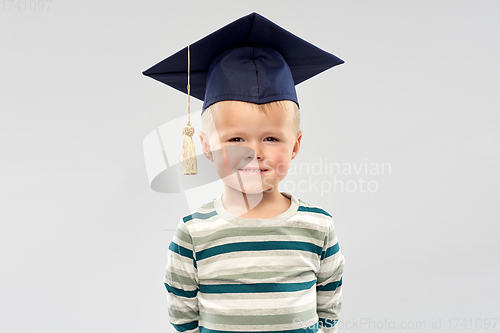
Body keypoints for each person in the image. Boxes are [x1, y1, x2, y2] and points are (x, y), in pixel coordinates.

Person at [143, 12, 345, 333]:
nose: (254, 152)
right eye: (236, 139)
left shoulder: (318, 226)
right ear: (207, 147)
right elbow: (183, 314)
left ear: (295, 146)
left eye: (271, 138)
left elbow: (328, 304)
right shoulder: (194, 233)